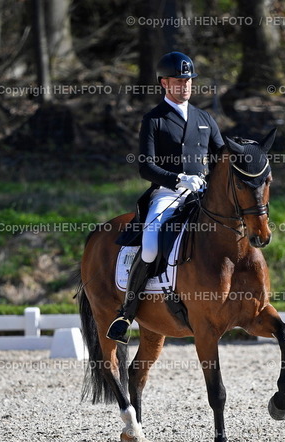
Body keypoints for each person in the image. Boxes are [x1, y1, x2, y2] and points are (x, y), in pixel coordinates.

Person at [107, 51, 224, 343]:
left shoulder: (204, 118)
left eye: (188, 81)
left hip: (201, 194)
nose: (184, 86)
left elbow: (221, 155)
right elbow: (145, 166)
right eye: (177, 81)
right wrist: (177, 179)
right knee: (149, 246)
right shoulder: (155, 119)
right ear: (164, 83)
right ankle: (126, 312)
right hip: (168, 193)